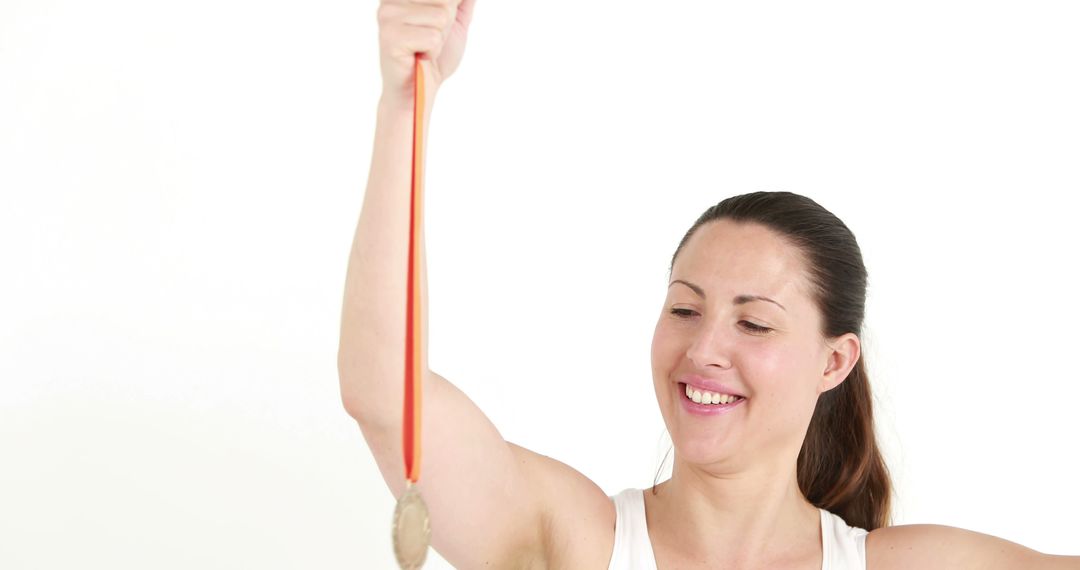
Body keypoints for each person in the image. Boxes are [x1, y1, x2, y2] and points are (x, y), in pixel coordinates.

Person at [339, 1, 1080, 568]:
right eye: (685, 308)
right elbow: (383, 393)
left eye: (753, 323)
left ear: (835, 361)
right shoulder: (575, 538)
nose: (703, 349)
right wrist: (406, 102)